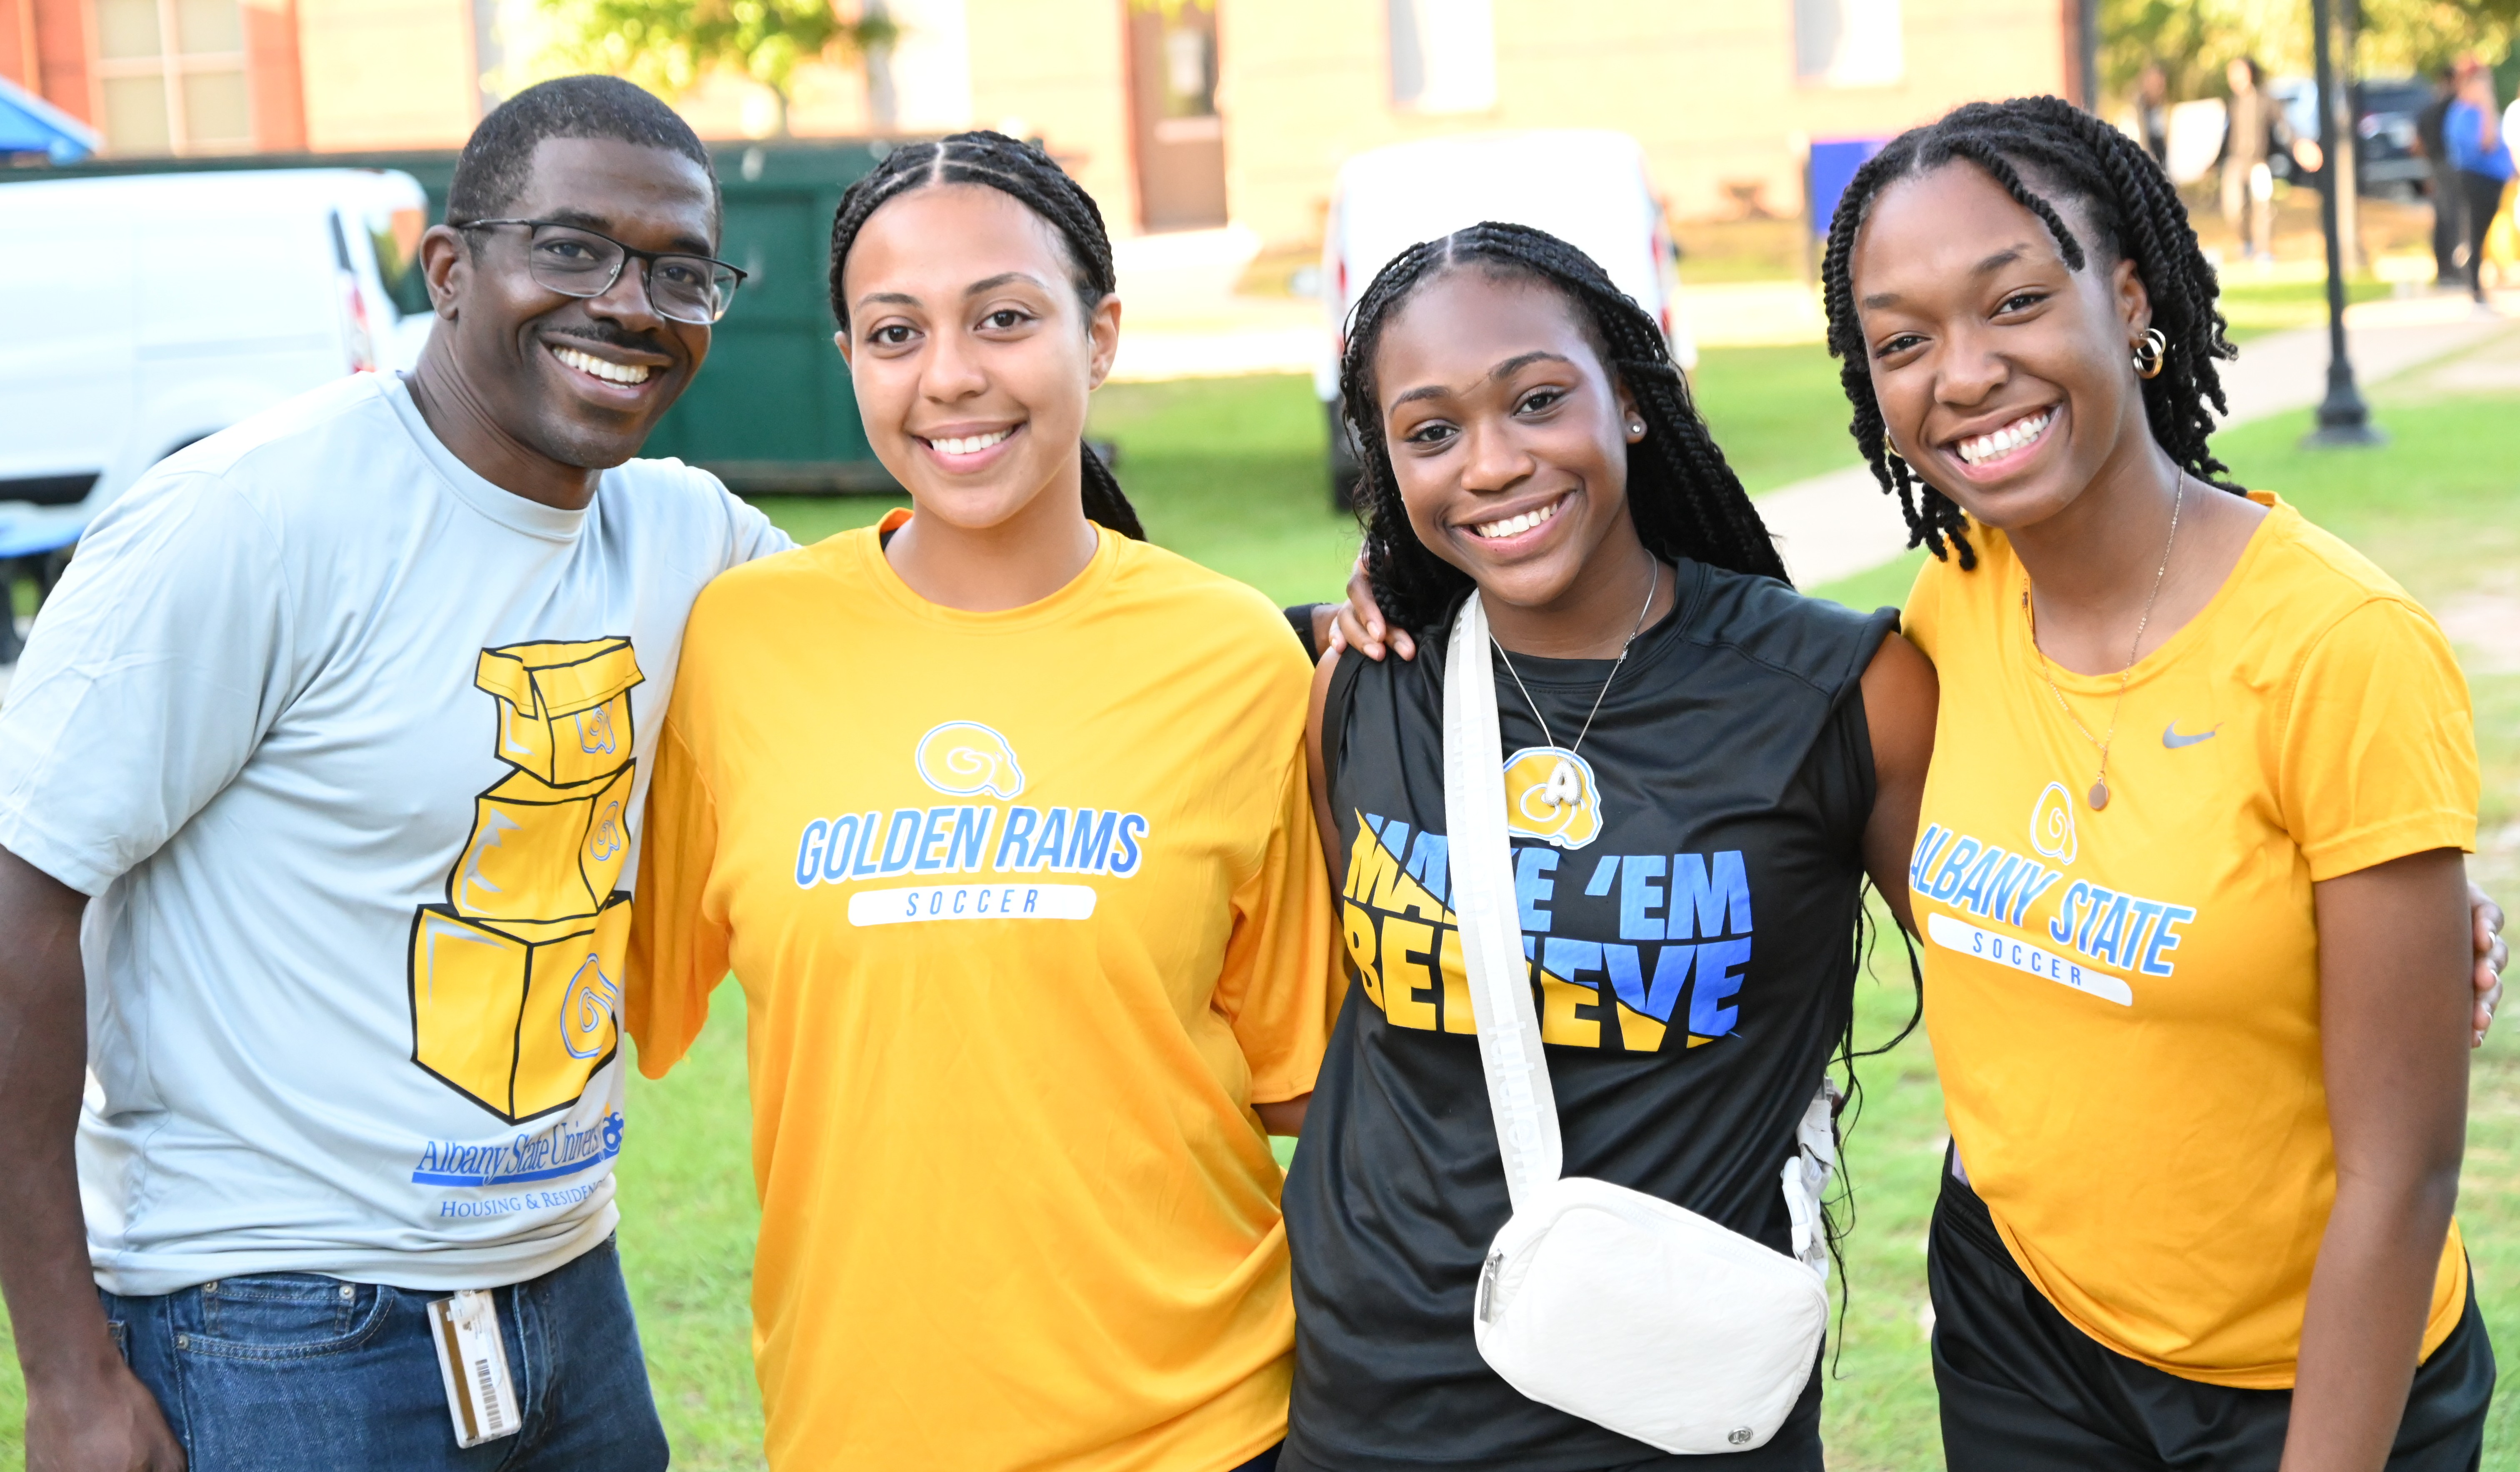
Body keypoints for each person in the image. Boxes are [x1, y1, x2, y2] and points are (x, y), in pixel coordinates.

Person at [0, 75, 790, 1470]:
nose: (630, 303)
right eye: (571, 248)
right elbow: (20, 895)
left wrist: (1299, 643)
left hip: (568, 1287)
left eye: (681, 272)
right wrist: (66, 1377)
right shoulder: (256, 516)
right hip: (271, 1315)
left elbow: (937, 643)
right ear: (449, 266)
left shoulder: (689, 542)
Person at [624, 132, 1334, 1472]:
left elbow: (1306, 1075)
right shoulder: (741, 644)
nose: (950, 375)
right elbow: (613, 997)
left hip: (1207, 1428)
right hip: (861, 1432)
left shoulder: (1236, 656)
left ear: (1101, 332)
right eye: (895, 332)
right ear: (847, 359)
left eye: (1005, 318)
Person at [1820, 96, 2496, 1469]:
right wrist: (1392, 598)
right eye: (1901, 341)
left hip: (2305, 1368)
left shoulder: (2337, 652)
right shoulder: (1953, 599)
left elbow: (2400, 1171)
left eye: (2009, 302)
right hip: (2021, 1329)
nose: (1959, 374)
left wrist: (2405, 945)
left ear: (2126, 299)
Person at [1280, 220, 1939, 1472]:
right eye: (1430, 432)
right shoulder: (1368, 689)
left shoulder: (1838, 691)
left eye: (1537, 401)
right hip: (1375, 1402)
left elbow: (2020, 995)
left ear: (1634, 402)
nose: (1491, 463)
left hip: (1675, 1405)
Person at [2445, 62, 2511, 305]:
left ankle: (2477, 279)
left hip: (2492, 179)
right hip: (2476, 179)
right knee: (2476, 231)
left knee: (2482, 231)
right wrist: (2486, 105)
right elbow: (2486, 142)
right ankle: (2473, 282)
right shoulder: (2465, 113)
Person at [2219, 57, 2282, 262]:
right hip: (2236, 161)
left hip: (2258, 161)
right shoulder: (2232, 103)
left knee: (2263, 207)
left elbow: (2283, 125)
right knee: (2233, 207)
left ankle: (2262, 250)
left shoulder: (2265, 100)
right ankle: (2246, 243)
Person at [2417, 65, 2466, 288]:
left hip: (2436, 166)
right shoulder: (2455, 107)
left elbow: (2417, 144)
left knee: (2442, 217)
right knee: (2454, 217)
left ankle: (2444, 267)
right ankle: (2454, 268)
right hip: (2451, 166)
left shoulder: (2429, 110)